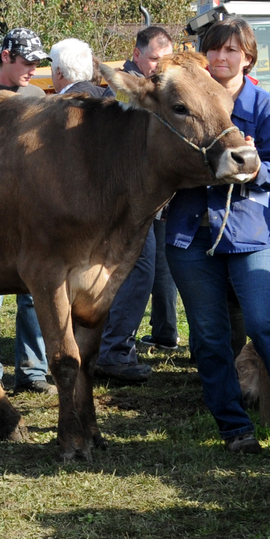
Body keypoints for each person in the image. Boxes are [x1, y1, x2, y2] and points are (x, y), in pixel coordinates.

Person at [165, 17, 270, 458]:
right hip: (190, 235)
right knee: (210, 336)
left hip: (250, 234)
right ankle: (234, 429)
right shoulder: (183, 103)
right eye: (214, 50)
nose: (220, 58)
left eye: (231, 50)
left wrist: (249, 168)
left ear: (248, 56)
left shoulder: (266, 106)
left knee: (267, 325)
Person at [95, 28, 177, 382]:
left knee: (157, 270)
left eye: (167, 60)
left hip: (151, 201)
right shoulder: (124, 88)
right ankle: (113, 351)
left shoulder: (158, 88)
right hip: (126, 201)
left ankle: (150, 336)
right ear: (137, 54)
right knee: (137, 272)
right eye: (156, 59)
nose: (161, 67)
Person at [0, 27, 52, 393]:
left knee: (35, 290)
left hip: (31, 206)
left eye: (38, 63)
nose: (33, 69)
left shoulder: (38, 96)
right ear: (5, 56)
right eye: (27, 61)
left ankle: (33, 370)